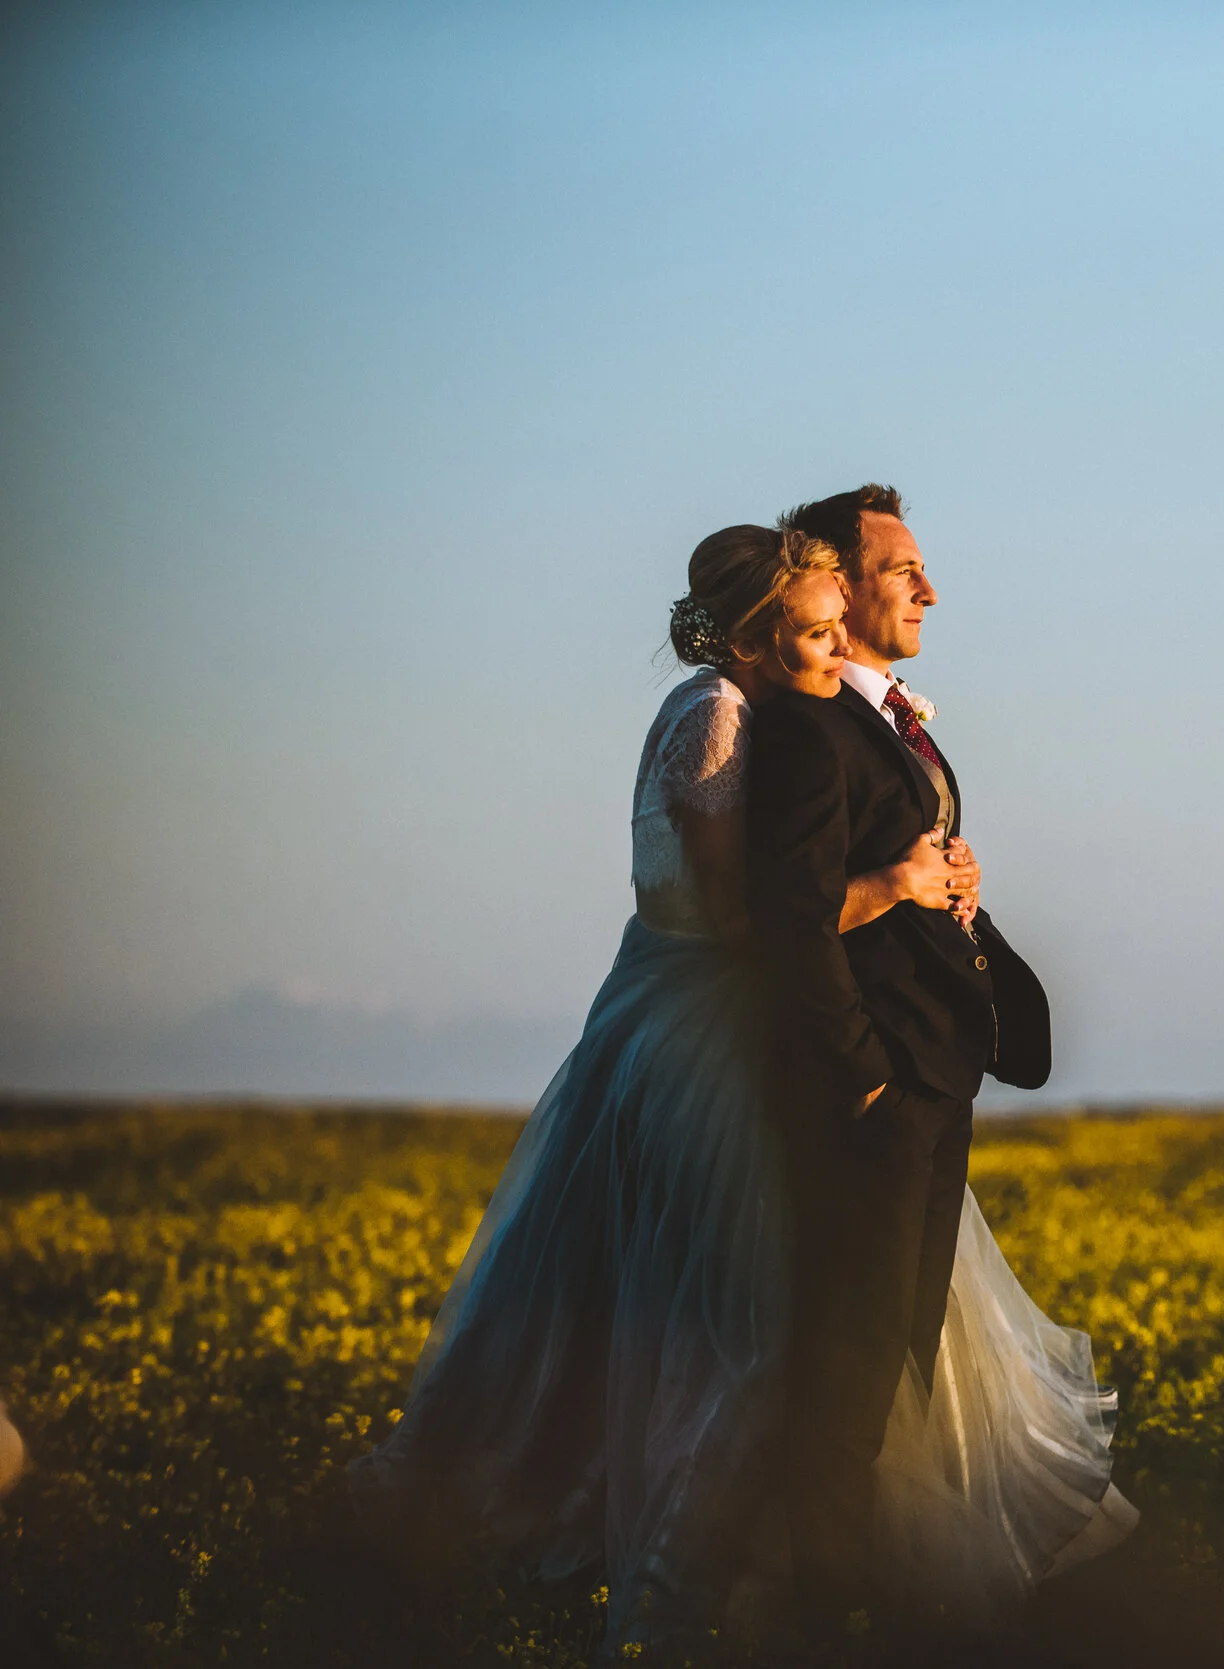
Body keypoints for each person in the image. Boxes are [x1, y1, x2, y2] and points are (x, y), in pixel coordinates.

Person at [358, 519, 1127, 1658]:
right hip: (707, 1038)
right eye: (813, 636)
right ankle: (667, 1613)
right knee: (752, 1334)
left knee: (739, 1332)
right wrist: (898, 880)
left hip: (713, 1027)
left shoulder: (755, 712)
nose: (832, 656)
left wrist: (928, 875)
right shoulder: (716, 718)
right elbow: (748, 924)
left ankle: (731, 1593)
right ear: (756, 637)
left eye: (832, 635)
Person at [746, 486, 1134, 1624]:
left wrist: (957, 886)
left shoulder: (890, 724)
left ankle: (861, 1599)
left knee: (896, 1357)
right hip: (875, 1087)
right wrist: (859, 1068)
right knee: (849, 1369)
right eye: (899, 567)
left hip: (931, 1075)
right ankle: (819, 1611)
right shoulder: (808, 727)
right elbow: (789, 913)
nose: (927, 586)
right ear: (835, 584)